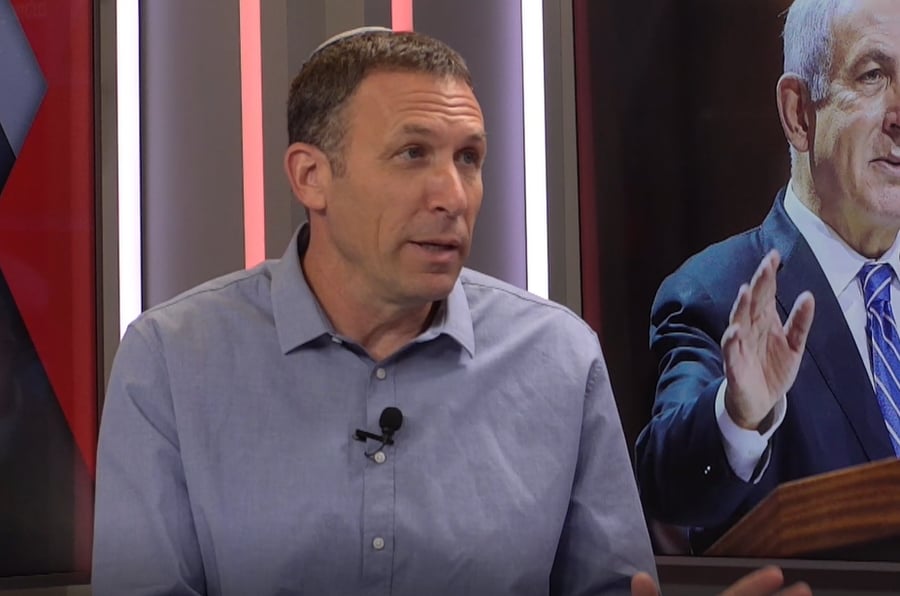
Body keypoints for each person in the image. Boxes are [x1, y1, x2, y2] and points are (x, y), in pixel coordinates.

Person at [92, 27, 810, 596]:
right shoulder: (172, 360)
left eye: (469, 158)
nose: (453, 196)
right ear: (311, 176)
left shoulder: (559, 359)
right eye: (413, 153)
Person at [636, 0, 900, 554]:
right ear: (798, 113)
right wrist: (738, 416)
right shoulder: (715, 293)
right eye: (874, 75)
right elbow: (669, 487)